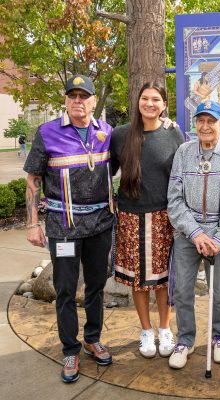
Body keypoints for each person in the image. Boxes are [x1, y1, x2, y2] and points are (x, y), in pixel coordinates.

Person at [24, 74, 114, 383]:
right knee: (64, 290)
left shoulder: (106, 132)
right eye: (72, 96)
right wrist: (34, 223)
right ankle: (71, 350)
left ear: (92, 101)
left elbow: (137, 141)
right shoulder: (47, 133)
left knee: (96, 286)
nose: (78, 101)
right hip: (63, 227)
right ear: (66, 100)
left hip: (100, 225)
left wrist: (166, 125)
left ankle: (92, 338)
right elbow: (34, 180)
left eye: (83, 96)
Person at [167, 100, 220, 369]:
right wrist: (196, 233)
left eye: (211, 121)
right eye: (200, 120)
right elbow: (174, 200)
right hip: (188, 234)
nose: (205, 126)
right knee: (182, 290)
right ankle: (185, 339)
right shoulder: (184, 151)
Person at [111, 82, 184, 359]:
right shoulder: (121, 136)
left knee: (163, 279)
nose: (150, 103)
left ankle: (165, 328)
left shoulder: (173, 133)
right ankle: (145, 330)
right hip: (130, 216)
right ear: (137, 101)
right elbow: (106, 171)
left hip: (164, 216)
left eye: (156, 99)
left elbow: (183, 173)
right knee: (138, 280)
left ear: (164, 105)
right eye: (145, 98)